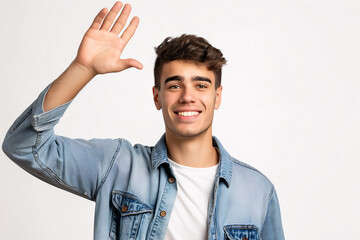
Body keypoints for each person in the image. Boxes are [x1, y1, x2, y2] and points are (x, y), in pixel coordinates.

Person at [2, 1, 284, 240]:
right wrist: (82, 69)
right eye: (174, 86)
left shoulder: (258, 190)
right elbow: (24, 146)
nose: (187, 96)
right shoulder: (117, 165)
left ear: (217, 97)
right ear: (157, 97)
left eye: (201, 85)